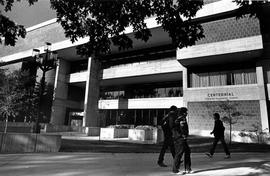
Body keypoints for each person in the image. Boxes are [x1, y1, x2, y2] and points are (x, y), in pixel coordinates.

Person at [169, 107, 193, 174]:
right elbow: (174, 129)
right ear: (183, 112)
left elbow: (185, 127)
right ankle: (175, 170)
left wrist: (186, 134)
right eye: (185, 112)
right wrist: (181, 135)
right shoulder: (178, 119)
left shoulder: (183, 118)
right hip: (179, 139)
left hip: (184, 138)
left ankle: (188, 168)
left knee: (187, 152)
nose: (187, 113)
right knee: (179, 153)